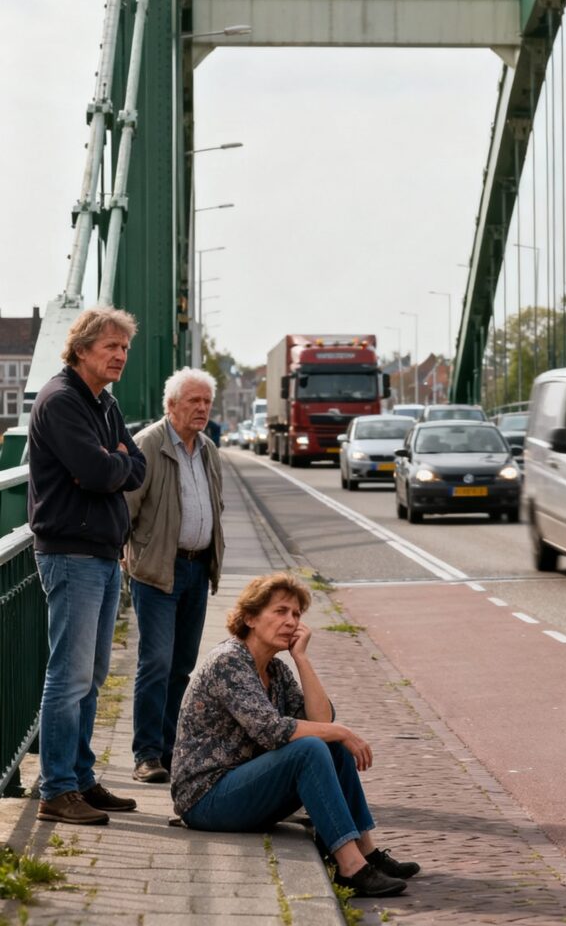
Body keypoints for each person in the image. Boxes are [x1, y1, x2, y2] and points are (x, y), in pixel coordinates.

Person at [171, 573, 420, 898]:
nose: (291, 621)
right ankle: (350, 868)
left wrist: (301, 658)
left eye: (296, 615)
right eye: (280, 611)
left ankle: (365, 850)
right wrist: (339, 730)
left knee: (328, 744)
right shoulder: (228, 662)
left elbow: (320, 719)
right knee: (310, 748)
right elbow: (273, 731)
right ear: (250, 617)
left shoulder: (275, 670)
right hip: (206, 799)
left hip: (244, 788)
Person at [27, 305, 147, 826]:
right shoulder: (60, 401)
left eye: (125, 348)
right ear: (81, 350)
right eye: (111, 348)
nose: (121, 356)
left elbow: (133, 468)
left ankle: (79, 776)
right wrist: (110, 464)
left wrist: (112, 464)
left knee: (92, 675)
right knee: (69, 676)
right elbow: (98, 471)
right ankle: (56, 789)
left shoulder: (104, 402)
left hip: (100, 553)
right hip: (70, 554)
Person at [125, 368, 224, 784]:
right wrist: (130, 559)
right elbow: (125, 509)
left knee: (183, 665)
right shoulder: (148, 444)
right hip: (158, 571)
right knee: (156, 662)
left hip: (197, 569)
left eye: (206, 402)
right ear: (171, 406)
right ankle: (146, 753)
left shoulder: (208, 449)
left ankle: (170, 749)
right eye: (193, 402)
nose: (201, 409)